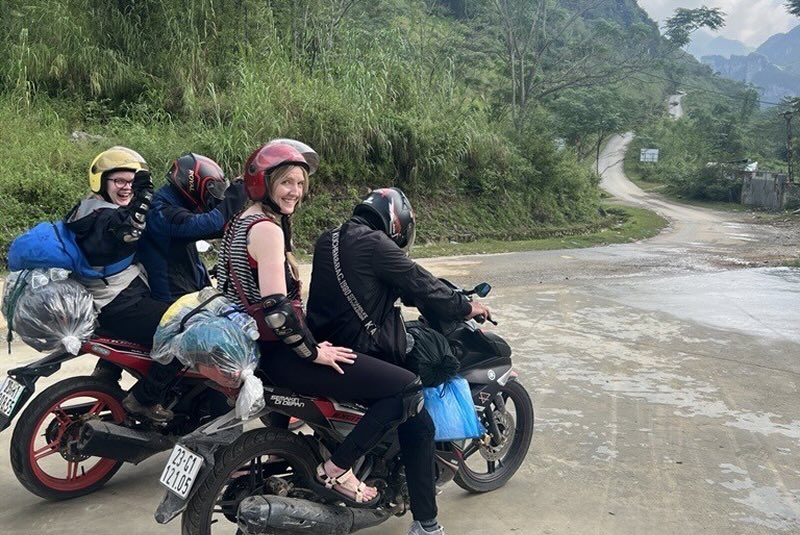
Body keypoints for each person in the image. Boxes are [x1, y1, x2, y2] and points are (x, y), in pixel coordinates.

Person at [216, 140, 425, 508]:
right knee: (405, 389)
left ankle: (283, 454)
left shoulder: (238, 222)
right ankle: (339, 468)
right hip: (280, 352)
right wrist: (312, 352)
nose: (295, 191)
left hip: (253, 349)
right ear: (264, 184)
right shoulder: (267, 229)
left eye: (299, 183)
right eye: (286, 182)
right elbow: (277, 310)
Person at [305, 187, 491, 535]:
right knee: (415, 408)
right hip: (361, 351)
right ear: (396, 222)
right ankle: (426, 524)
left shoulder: (329, 239)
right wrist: (467, 306)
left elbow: (384, 284)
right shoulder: (377, 246)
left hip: (324, 345)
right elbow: (422, 285)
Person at [65, 146, 180, 423]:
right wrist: (143, 196)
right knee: (184, 333)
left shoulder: (84, 209)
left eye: (131, 182)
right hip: (119, 304)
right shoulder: (105, 216)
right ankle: (144, 398)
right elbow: (128, 229)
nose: (126, 187)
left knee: (164, 312)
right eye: (119, 181)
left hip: (101, 301)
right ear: (101, 182)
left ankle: (107, 372)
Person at [139, 153, 247, 302]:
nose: (210, 201)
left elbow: (221, 226)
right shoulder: (161, 213)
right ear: (194, 186)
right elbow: (208, 224)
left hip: (191, 289)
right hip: (173, 301)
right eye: (209, 195)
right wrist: (239, 190)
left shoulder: (176, 205)